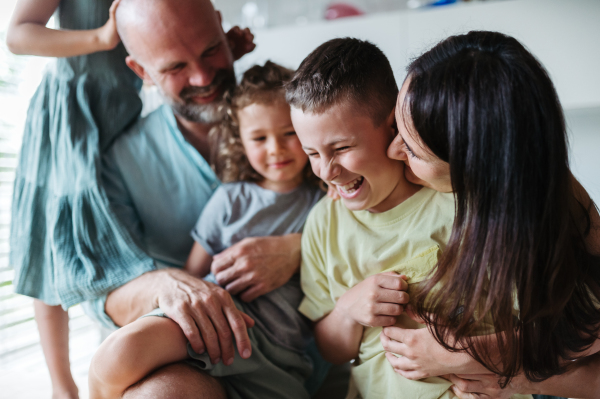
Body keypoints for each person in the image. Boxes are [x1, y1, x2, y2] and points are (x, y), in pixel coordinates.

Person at [81, 0, 338, 397]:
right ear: (141, 72)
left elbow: (376, 217)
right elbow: (103, 289)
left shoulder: (314, 157)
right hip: (202, 333)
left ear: (224, 31)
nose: (202, 76)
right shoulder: (121, 163)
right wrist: (170, 286)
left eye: (210, 50)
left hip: (290, 350)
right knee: (128, 370)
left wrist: (301, 248)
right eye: (175, 67)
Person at [287, 37, 528, 399]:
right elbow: (331, 350)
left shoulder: (460, 202)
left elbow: (542, 329)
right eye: (312, 153)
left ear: (394, 125)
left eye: (341, 148)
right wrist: (348, 311)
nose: (327, 171)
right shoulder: (323, 224)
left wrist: (463, 354)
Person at [381, 30, 600, 399]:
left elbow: (589, 334)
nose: (391, 151)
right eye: (394, 128)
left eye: (413, 151)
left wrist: (470, 355)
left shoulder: (557, 214)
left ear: (475, 169)